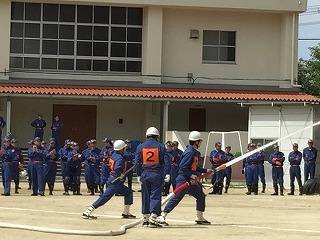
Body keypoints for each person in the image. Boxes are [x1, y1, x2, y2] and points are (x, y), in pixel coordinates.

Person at [159, 131, 213, 226]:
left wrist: (206, 170)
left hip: (192, 181)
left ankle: (199, 217)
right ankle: (162, 215)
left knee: (200, 196)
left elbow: (195, 167)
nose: (200, 143)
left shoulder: (195, 152)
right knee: (176, 197)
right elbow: (183, 167)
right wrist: (191, 175)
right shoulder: (189, 152)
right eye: (199, 141)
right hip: (184, 179)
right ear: (196, 142)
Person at [82, 140, 136, 220]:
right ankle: (88, 211)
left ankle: (126, 212)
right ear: (121, 149)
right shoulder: (120, 158)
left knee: (128, 192)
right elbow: (117, 168)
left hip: (115, 181)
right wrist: (119, 174)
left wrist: (137, 155)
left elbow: (127, 157)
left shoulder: (115, 155)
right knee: (104, 197)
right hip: (115, 181)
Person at [135, 127, 170, 227]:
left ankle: (145, 218)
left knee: (145, 195)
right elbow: (166, 161)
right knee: (155, 195)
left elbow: (137, 162)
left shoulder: (140, 147)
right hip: (156, 174)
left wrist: (138, 174)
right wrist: (167, 173)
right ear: (157, 136)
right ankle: (153, 217)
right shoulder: (161, 146)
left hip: (145, 173)